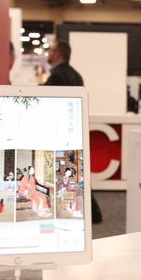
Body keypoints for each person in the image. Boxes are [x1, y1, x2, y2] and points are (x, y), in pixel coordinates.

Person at [43, 40, 102, 224]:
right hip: (74, 129)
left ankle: (79, 211)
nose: (48, 53)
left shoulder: (56, 77)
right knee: (77, 172)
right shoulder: (76, 75)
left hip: (60, 132)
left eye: (51, 50)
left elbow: (48, 104)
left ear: (58, 53)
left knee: (66, 173)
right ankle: (91, 212)